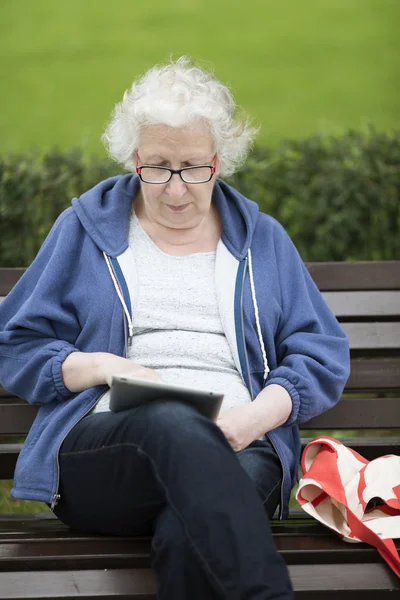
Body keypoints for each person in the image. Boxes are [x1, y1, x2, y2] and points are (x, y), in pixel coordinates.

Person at [0, 57, 350, 600]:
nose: (176, 188)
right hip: (107, 450)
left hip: (243, 443)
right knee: (168, 420)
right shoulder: (85, 228)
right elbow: (16, 344)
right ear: (135, 159)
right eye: (159, 166)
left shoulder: (262, 240)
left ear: (219, 161)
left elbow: (319, 351)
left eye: (193, 167)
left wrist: (254, 418)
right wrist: (102, 366)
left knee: (191, 533)